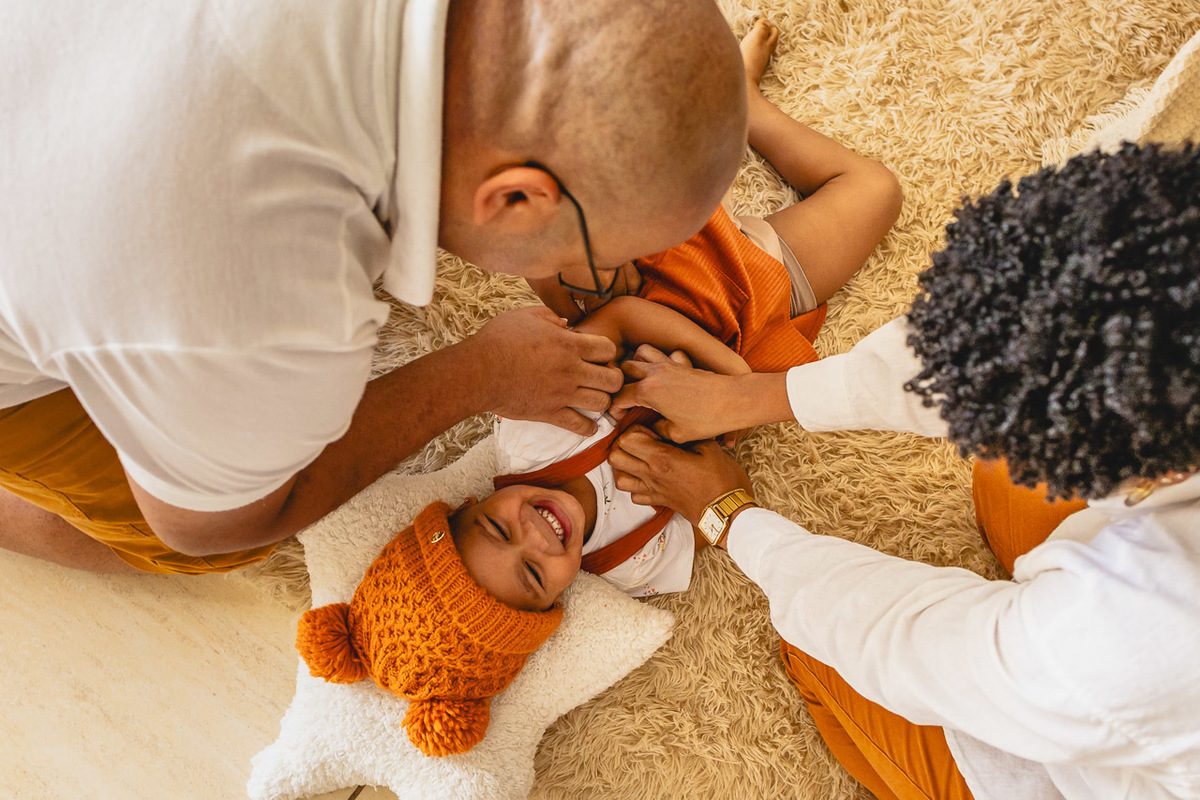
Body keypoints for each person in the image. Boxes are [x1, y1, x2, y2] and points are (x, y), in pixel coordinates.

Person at [0, 0, 749, 575]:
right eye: (600, 253)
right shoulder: (254, 308)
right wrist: (479, 373)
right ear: (516, 198)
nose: (600, 283)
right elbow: (203, 523)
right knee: (209, 540)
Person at [609, 142, 1200, 799]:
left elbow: (893, 636)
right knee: (1006, 472)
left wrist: (730, 516)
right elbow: (987, 350)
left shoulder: (1130, 640)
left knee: (815, 646)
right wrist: (756, 395)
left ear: (1165, 470)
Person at [450, 18, 903, 606]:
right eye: (534, 574)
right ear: (554, 603)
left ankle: (710, 123)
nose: (533, 536)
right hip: (749, 307)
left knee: (570, 237)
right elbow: (717, 490)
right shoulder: (633, 564)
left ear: (473, 502)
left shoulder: (532, 439)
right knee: (875, 190)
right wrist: (718, 417)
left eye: (497, 528)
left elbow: (625, 317)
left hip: (652, 272)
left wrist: (736, 387)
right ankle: (752, 108)